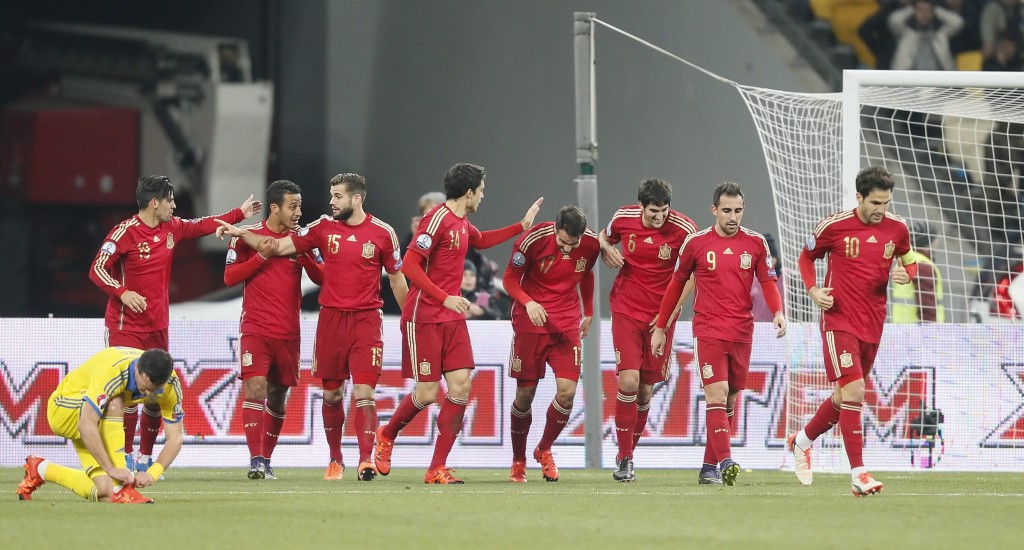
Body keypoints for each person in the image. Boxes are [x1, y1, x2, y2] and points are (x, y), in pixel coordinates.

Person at [218, 173, 407, 482]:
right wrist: (239, 232)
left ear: (356, 198)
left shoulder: (381, 233)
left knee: (363, 392)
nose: (330, 202)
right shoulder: (320, 228)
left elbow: (390, 278)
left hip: (361, 323)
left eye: (337, 196)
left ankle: (365, 460)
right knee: (328, 394)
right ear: (276, 208)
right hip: (315, 323)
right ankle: (324, 460)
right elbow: (272, 250)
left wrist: (408, 317)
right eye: (331, 195)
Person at [373, 162, 542, 484]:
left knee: (462, 387)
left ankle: (436, 468)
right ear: (469, 192)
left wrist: (521, 226)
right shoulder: (436, 219)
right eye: (481, 191)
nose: (483, 196)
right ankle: (387, 434)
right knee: (426, 394)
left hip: (451, 318)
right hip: (424, 316)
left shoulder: (463, 222)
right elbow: (409, 265)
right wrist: (444, 297)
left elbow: (481, 241)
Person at [89, 175, 261, 475]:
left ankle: (145, 456)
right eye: (170, 200)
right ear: (154, 203)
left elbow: (202, 224)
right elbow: (97, 269)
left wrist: (239, 214)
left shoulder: (172, 228)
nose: (174, 205)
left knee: (155, 395)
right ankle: (124, 455)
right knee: (126, 396)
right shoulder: (125, 232)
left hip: (157, 327)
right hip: (125, 327)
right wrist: (123, 292)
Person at [787, 166, 917, 496]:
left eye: (886, 203)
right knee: (856, 391)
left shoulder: (897, 228)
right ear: (859, 197)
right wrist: (813, 290)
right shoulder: (834, 226)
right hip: (838, 320)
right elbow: (806, 257)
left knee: (844, 395)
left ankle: (801, 441)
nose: (881, 209)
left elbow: (908, 257)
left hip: (873, 323)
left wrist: (908, 274)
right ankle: (859, 474)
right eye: (875, 202)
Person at [651, 182, 786, 487]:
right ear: (714, 210)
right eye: (726, 210)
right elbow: (675, 285)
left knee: (730, 399)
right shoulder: (696, 243)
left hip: (742, 331)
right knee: (717, 393)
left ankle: (708, 467)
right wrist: (660, 327)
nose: (732, 217)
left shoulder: (755, 243)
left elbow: (767, 281)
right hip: (708, 330)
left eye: (737, 210)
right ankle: (726, 461)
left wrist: (778, 311)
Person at [223, 180, 324, 480]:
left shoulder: (303, 239)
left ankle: (266, 459)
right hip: (255, 328)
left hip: (288, 332)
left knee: (278, 396)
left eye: (300, 206)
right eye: (293, 206)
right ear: (275, 208)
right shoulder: (247, 237)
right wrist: (261, 257)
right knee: (254, 388)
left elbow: (323, 278)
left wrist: (305, 255)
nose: (298, 212)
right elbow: (229, 277)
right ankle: (255, 460)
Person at [598, 178, 697, 482]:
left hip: (660, 319)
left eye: (664, 210)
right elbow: (602, 236)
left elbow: (692, 275)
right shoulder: (623, 218)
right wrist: (605, 247)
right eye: (654, 211)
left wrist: (668, 316)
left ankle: (628, 453)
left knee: (644, 391)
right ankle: (624, 458)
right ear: (641, 206)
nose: (659, 217)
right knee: (628, 380)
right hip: (626, 308)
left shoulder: (684, 229)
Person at [503, 206, 600, 483]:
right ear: (556, 229)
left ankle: (544, 449)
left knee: (567, 393)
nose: (568, 249)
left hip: (567, 323)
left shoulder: (591, 243)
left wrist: (588, 311)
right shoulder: (531, 240)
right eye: (563, 242)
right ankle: (518, 460)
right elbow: (509, 279)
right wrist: (528, 302)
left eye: (574, 244)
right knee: (525, 396)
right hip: (530, 321)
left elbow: (587, 274)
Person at [16, 347, 184, 504]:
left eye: (154, 391)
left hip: (95, 420)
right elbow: (86, 423)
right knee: (115, 402)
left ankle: (40, 469)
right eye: (144, 388)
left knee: (105, 492)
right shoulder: (114, 372)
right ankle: (122, 489)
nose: (147, 394)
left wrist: (152, 474)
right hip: (63, 409)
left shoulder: (171, 385)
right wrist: (111, 469)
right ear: (137, 368)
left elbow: (175, 438)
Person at [889, 0, 964, 71]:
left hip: (938, 77)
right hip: (910, 77)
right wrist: (912, 8)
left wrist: (936, 9)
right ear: (914, 12)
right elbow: (894, 20)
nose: (924, 14)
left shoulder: (941, 35)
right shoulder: (906, 33)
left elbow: (958, 22)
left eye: (928, 11)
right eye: (920, 10)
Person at [892, 222, 944, 323]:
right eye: (935, 238)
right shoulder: (922, 265)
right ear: (930, 241)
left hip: (901, 327)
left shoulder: (904, 261)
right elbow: (926, 304)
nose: (937, 241)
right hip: (917, 330)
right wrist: (930, 328)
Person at [751, 233, 785, 322]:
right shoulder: (752, 279)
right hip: (756, 326)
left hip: (779, 325)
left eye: (770, 257)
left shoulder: (788, 279)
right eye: (764, 258)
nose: (768, 262)